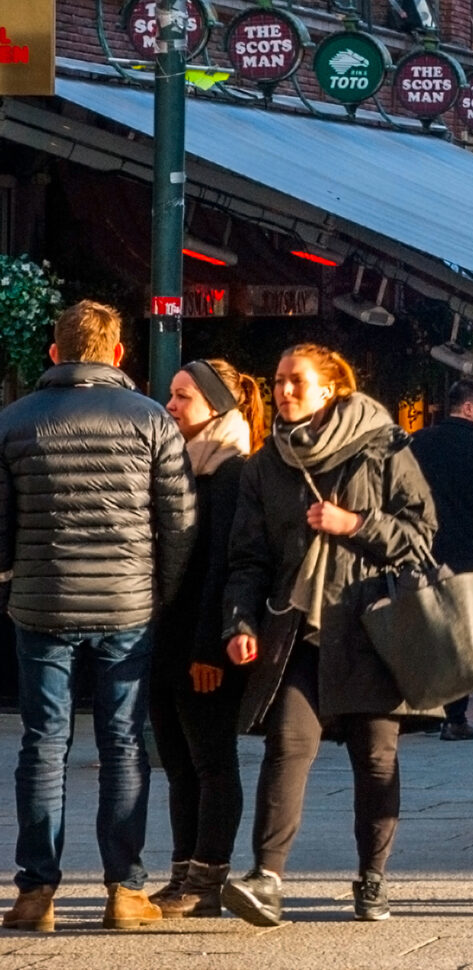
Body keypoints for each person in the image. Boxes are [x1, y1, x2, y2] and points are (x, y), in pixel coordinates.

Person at [218, 345, 435, 928]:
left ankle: (372, 877)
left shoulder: (384, 445)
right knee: (287, 746)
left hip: (369, 627)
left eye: (296, 381)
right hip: (299, 629)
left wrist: (356, 525)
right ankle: (266, 878)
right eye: (278, 381)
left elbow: (421, 535)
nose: (283, 391)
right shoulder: (268, 464)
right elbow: (248, 557)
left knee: (375, 759)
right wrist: (240, 622)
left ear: (330, 388)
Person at [0, 301, 194, 934]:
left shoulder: (14, 422)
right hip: (127, 607)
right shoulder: (152, 421)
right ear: (116, 355)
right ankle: (124, 891)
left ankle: (36, 893)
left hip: (41, 603)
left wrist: (14, 579)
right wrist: (158, 592)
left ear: (55, 352)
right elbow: (179, 523)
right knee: (122, 744)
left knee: (43, 743)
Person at [145, 360, 259, 919]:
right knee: (179, 761)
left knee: (212, 761)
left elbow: (224, 566)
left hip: (203, 642)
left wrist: (209, 649)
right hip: (167, 637)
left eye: (182, 397)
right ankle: (181, 873)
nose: (171, 406)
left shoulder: (233, 472)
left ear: (215, 406)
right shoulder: (181, 466)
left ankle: (207, 878)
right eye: (170, 395)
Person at [404, 377, 473, 738]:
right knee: (463, 638)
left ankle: (424, 709)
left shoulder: (418, 443)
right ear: (468, 409)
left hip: (425, 554)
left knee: (428, 633)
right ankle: (454, 716)